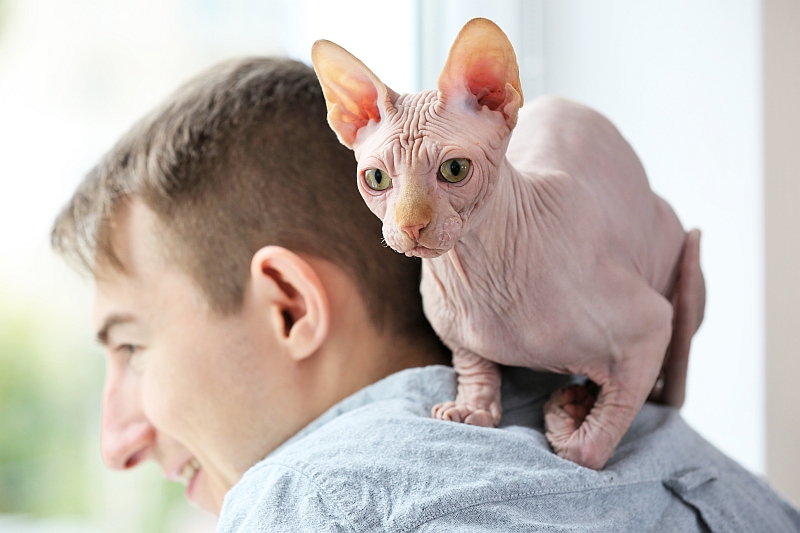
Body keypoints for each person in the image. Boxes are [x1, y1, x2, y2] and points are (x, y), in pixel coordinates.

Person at [52, 57, 800, 532]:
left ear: (290, 305)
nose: (117, 441)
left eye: (131, 346)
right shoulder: (695, 460)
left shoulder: (308, 504)